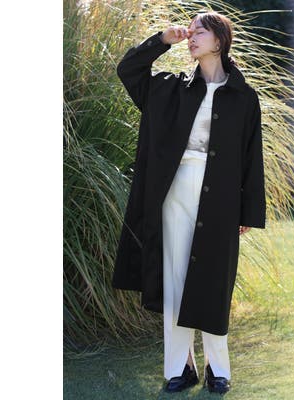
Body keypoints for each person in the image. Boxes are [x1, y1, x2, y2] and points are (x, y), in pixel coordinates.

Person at [112, 11, 266, 394]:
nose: (192, 37)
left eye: (201, 32)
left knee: (215, 281)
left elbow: (252, 158)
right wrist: (161, 40)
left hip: (221, 198)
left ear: (220, 40)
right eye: (191, 32)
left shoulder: (244, 98)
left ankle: (219, 369)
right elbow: (128, 70)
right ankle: (180, 367)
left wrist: (248, 211)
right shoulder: (171, 89)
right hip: (174, 193)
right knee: (175, 280)